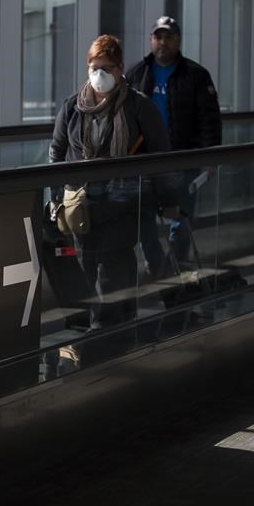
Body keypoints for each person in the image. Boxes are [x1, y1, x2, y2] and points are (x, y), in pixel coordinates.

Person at [49, 35, 176, 329]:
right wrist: (55, 198)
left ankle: (111, 335)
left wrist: (169, 200)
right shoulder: (72, 107)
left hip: (124, 206)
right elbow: (56, 153)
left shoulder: (138, 107)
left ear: (120, 69)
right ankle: (90, 333)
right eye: (94, 68)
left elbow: (162, 156)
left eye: (106, 68)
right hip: (81, 207)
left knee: (113, 271)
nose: (99, 75)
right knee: (84, 270)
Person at [125, 16, 222, 278]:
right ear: (151, 40)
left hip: (184, 159)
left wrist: (210, 157)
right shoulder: (137, 73)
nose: (163, 42)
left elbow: (209, 119)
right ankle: (157, 266)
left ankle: (176, 267)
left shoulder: (195, 75)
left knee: (181, 218)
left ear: (177, 40)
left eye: (168, 37)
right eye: (158, 37)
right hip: (145, 163)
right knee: (143, 217)